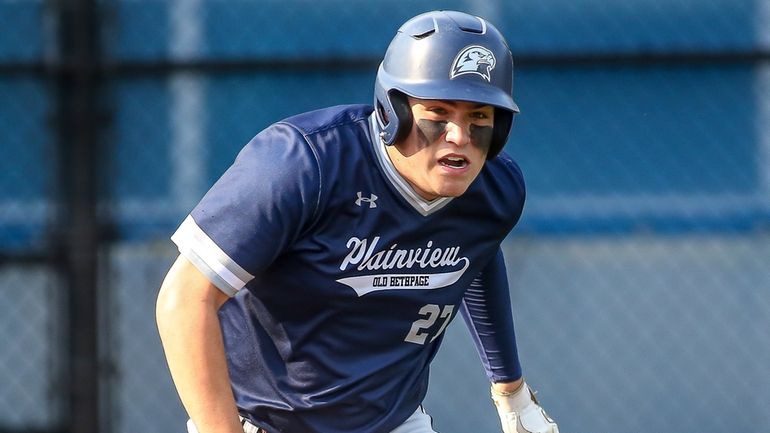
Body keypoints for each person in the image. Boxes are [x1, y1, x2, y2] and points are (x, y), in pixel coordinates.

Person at [156, 9, 559, 433]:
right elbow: (184, 299)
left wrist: (510, 389)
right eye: (438, 113)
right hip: (263, 422)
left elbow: (474, 256)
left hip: (394, 422)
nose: (458, 136)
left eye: (479, 117)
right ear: (392, 111)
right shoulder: (302, 164)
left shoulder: (493, 190)